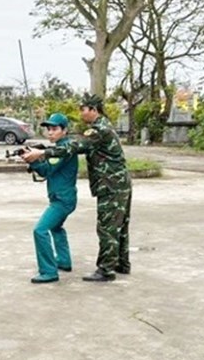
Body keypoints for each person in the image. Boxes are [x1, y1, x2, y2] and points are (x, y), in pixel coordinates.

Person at [23, 94, 132, 282]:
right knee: (119, 226)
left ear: (94, 110)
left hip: (111, 184)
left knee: (107, 228)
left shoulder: (98, 130)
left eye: (83, 109)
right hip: (119, 183)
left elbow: (73, 147)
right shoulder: (103, 126)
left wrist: (41, 153)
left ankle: (106, 270)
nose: (81, 113)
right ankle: (121, 263)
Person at [27, 113, 78, 284]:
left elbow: (46, 170)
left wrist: (34, 161)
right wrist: (32, 159)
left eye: (55, 129)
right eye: (49, 129)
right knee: (56, 228)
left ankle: (49, 271)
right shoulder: (60, 148)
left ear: (65, 130)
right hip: (63, 198)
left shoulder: (63, 150)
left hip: (62, 200)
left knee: (40, 230)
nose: (50, 132)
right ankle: (63, 261)